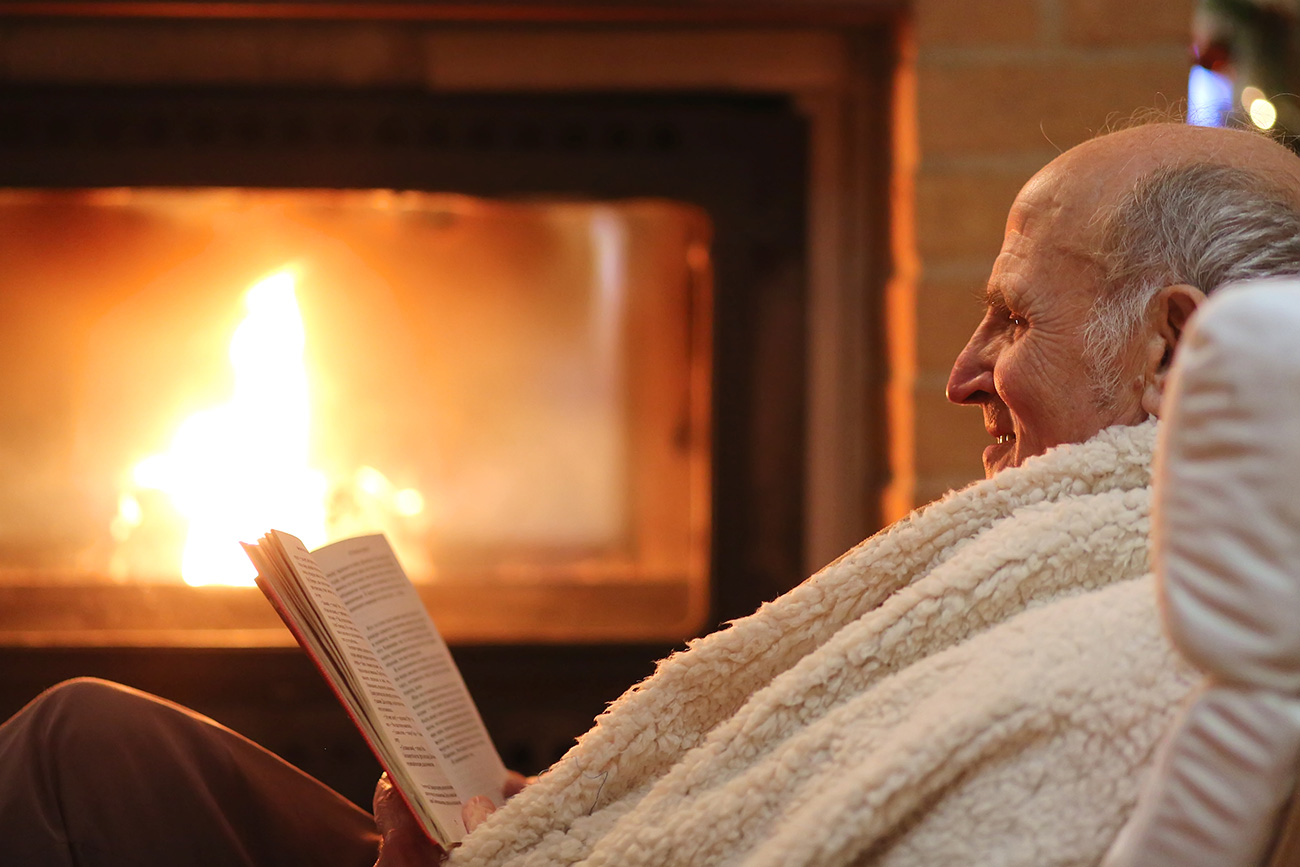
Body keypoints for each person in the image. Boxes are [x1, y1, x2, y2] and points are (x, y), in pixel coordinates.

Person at [5, 120, 1300, 867]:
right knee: (106, 741)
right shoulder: (1153, 576)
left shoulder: (1131, 646)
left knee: (75, 755)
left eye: (1011, 319)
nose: (963, 377)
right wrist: (575, 817)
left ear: (1170, 350)